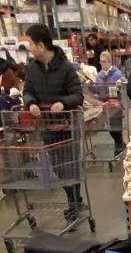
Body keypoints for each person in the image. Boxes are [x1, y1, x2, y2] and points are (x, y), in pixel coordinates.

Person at [23, 23, 85, 221]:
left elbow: (78, 95)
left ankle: (74, 203)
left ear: (41, 45)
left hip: (67, 127)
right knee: (59, 168)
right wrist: (31, 103)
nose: (29, 48)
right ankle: (75, 200)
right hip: (47, 126)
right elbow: (27, 91)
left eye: (30, 43)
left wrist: (63, 102)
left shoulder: (66, 68)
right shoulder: (32, 69)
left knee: (70, 167)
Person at [97, 49, 127, 156]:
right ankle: (121, 144)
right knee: (110, 129)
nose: (102, 64)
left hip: (116, 106)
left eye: (104, 61)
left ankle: (118, 148)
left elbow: (125, 81)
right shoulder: (99, 75)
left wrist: (120, 82)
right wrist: (89, 85)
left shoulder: (117, 73)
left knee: (116, 128)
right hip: (105, 106)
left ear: (110, 62)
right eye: (101, 61)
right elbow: (96, 89)